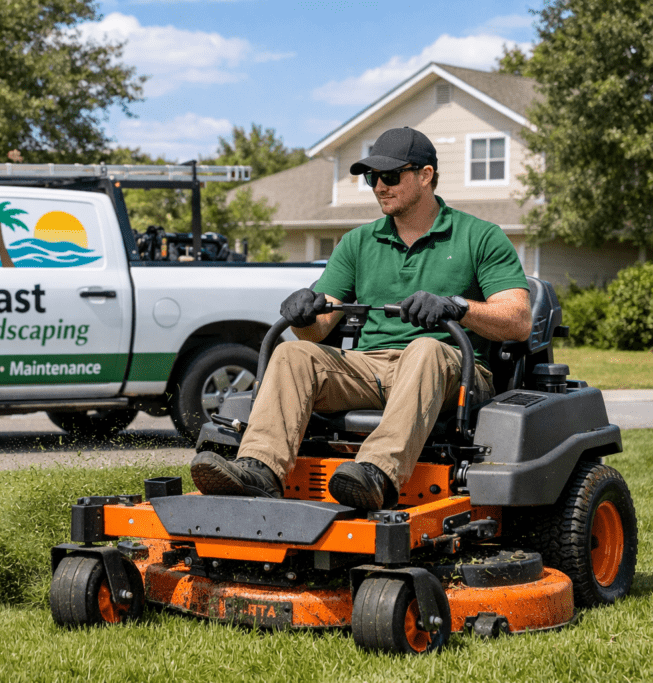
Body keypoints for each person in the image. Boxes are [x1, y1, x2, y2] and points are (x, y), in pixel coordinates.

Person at [190, 126, 532, 510]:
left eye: (389, 176)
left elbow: (518, 320)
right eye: (372, 178)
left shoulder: (479, 237)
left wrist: (458, 306)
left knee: (425, 348)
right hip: (371, 369)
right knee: (291, 355)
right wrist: (302, 312)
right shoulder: (357, 243)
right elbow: (316, 332)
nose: (378, 187)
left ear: (425, 175)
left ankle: (375, 474)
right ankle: (259, 470)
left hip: (455, 371)